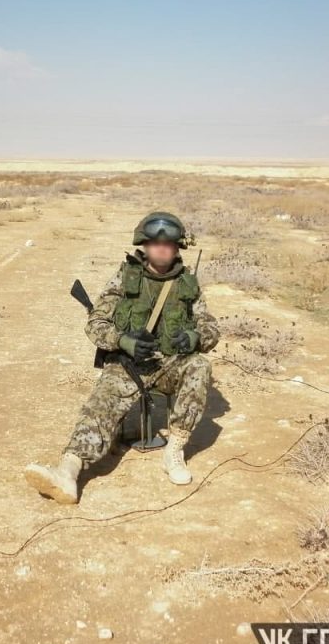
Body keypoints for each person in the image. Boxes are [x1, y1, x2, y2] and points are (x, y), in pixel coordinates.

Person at [25, 211, 220, 504]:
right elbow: (96, 324)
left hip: (171, 364)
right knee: (100, 406)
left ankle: (174, 452)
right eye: (154, 242)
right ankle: (67, 471)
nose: (162, 248)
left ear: (178, 246)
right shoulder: (125, 276)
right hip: (130, 365)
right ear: (144, 244)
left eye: (168, 243)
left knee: (199, 366)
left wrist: (195, 338)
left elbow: (210, 327)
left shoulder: (187, 283)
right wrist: (123, 340)